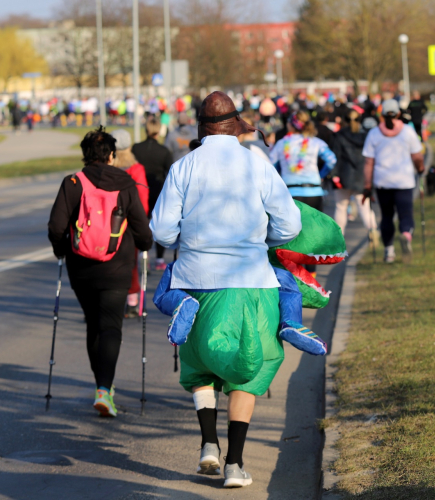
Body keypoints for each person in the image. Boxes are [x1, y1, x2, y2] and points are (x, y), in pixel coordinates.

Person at [150, 91, 302, 488]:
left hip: (195, 281)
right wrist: (263, 239)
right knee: (247, 370)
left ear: (201, 127)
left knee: (200, 364)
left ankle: (208, 444)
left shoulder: (184, 166)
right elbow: (290, 224)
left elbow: (163, 230)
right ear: (236, 126)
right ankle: (235, 464)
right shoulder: (257, 163)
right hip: (251, 281)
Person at [47, 127, 153, 417]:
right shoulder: (126, 183)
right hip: (117, 267)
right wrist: (145, 244)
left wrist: (61, 250)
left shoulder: (72, 182)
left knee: (93, 324)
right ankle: (104, 389)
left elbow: (56, 227)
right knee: (110, 327)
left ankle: (102, 386)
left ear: (85, 155)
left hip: (81, 268)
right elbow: (142, 228)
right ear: (112, 155)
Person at [269, 111, 337, 278]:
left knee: (294, 236)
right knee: (313, 234)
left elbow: (270, 165)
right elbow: (332, 160)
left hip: (291, 194)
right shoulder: (316, 142)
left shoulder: (282, 143)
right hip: (314, 191)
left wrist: (280, 175)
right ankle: (312, 276)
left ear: (291, 125)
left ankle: (298, 277)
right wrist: (321, 175)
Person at [361, 99, 424, 263]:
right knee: (405, 214)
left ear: (381, 115)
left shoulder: (374, 133)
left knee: (387, 216)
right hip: (404, 181)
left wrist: (367, 185)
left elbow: (369, 162)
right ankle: (406, 235)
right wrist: (421, 168)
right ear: (398, 114)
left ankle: (389, 252)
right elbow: (417, 156)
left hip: (383, 182)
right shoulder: (408, 132)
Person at [110, 128, 151, 318]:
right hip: (129, 224)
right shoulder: (136, 169)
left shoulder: (107, 170)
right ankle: (133, 301)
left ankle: (112, 298)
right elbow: (143, 199)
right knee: (131, 263)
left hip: (108, 223)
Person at [132, 117, 173, 270]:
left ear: (146, 129)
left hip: (139, 190)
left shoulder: (136, 148)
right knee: (158, 225)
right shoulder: (164, 151)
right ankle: (160, 259)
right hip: (157, 190)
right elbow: (170, 171)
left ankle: (144, 253)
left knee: (141, 224)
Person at [331, 109, 376, 235]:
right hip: (361, 176)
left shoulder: (339, 135)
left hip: (343, 175)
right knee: (365, 208)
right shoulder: (367, 136)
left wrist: (334, 175)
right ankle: (373, 234)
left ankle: (339, 238)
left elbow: (336, 156)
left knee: (341, 207)